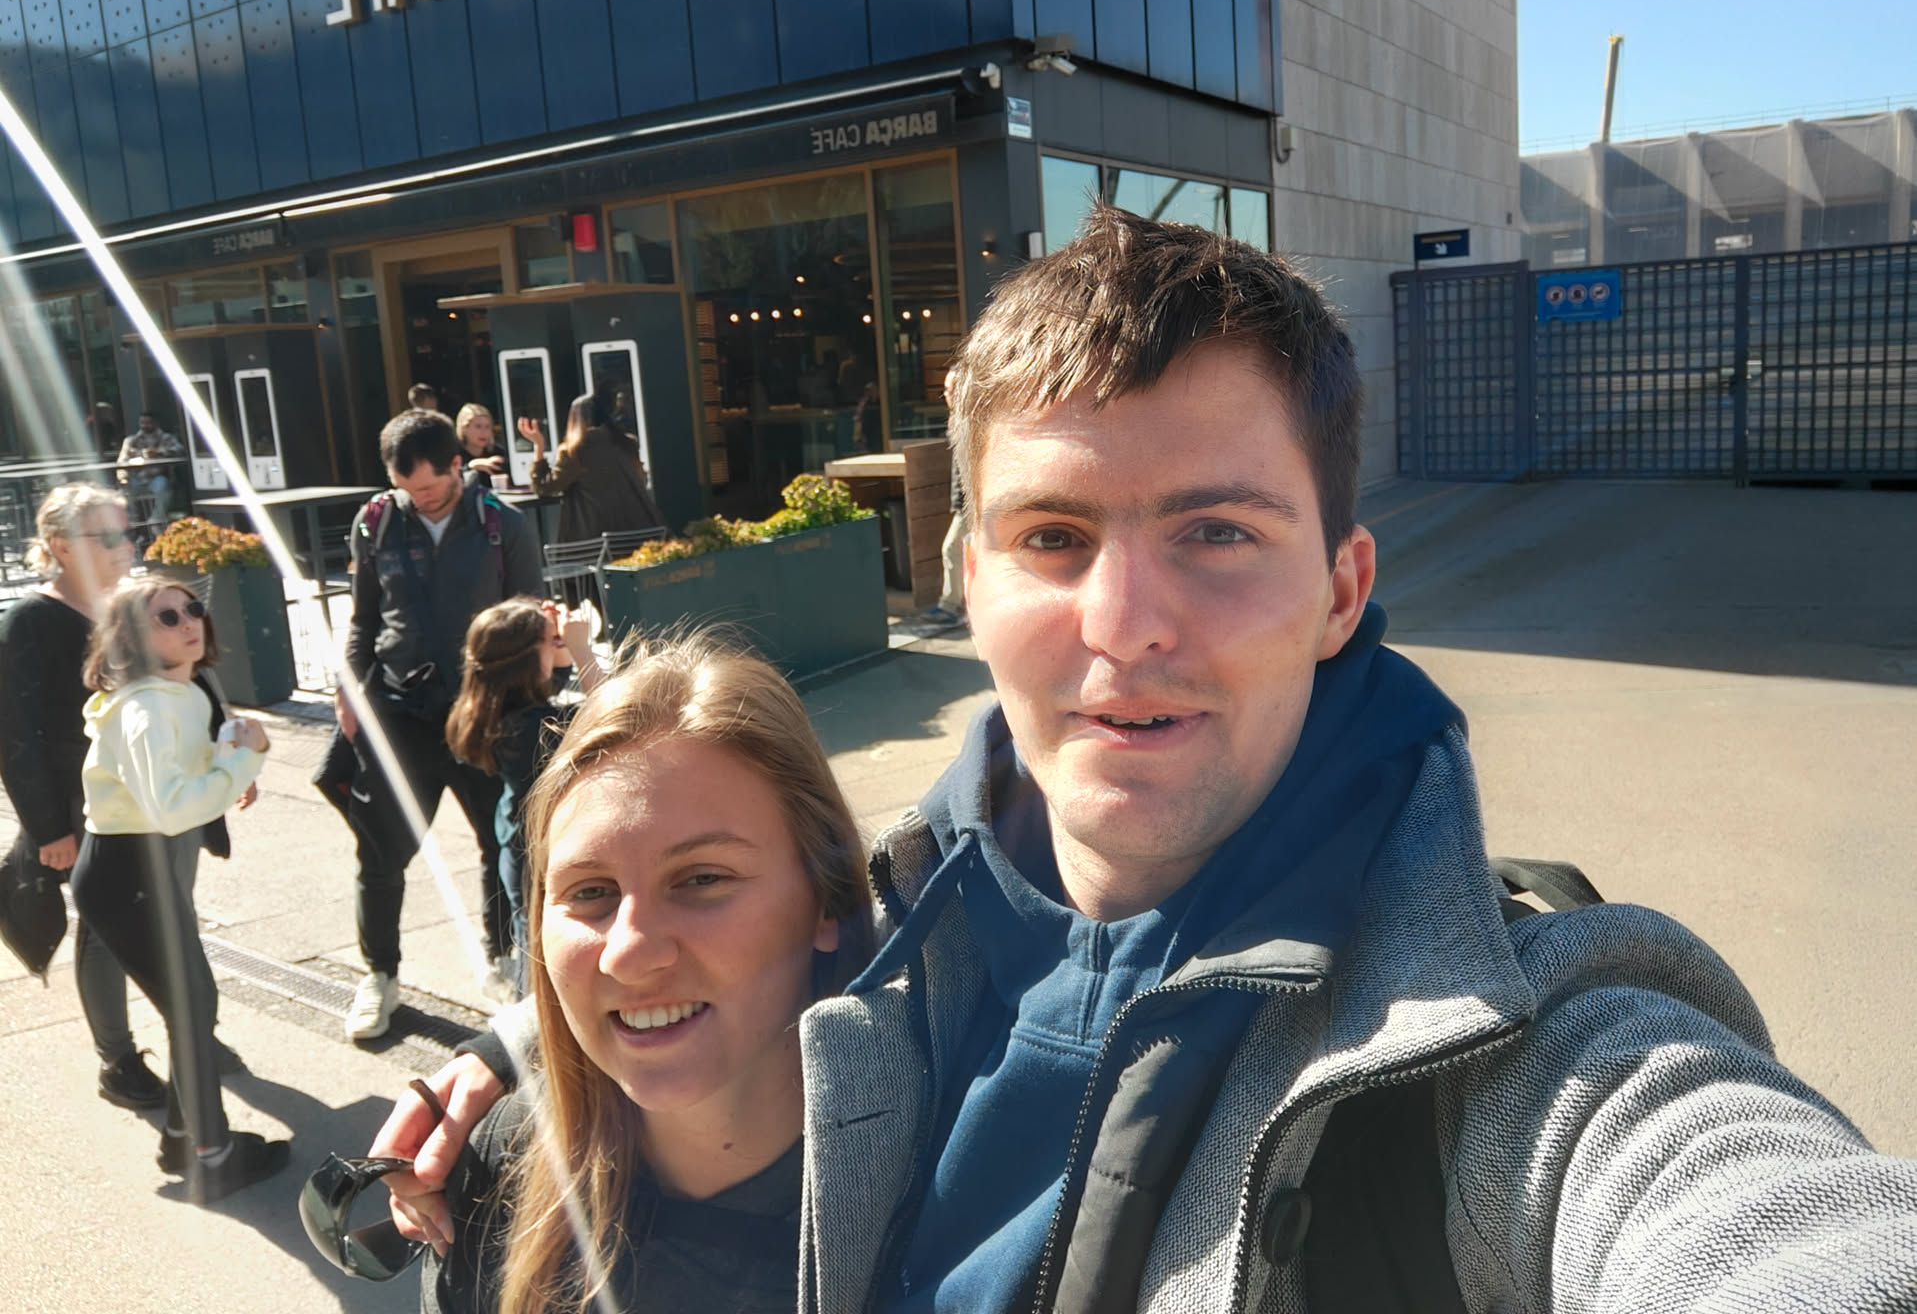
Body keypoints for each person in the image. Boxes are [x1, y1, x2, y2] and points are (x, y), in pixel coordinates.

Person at [383, 207, 1917, 1310]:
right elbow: (693, 923)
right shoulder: (908, 911)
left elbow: (1750, 1216)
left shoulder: (1513, 1050)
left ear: (1342, 591)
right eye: (1053, 537)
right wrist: (519, 1052)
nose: (1123, 623)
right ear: (967, 580)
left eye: (1217, 533)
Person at [412, 635, 874, 1313]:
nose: (627, 953)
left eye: (702, 879)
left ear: (825, 902)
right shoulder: (494, 1169)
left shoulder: (949, 1208)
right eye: (590, 892)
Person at [70, 576, 281, 1204]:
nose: (189, 620)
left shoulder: (174, 692)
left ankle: (187, 1138)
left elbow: (172, 777)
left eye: (192, 608)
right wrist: (243, 759)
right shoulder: (147, 707)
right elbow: (170, 808)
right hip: (127, 873)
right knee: (190, 1008)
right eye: (166, 616)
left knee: (193, 1003)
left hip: (139, 871)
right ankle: (210, 1156)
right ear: (131, 638)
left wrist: (224, 755)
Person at [336, 410, 543, 1040]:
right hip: (403, 710)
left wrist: (530, 706)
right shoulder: (376, 522)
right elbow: (363, 618)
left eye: (428, 487)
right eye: (407, 489)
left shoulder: (503, 525)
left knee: (503, 845)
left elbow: (529, 620)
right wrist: (349, 690)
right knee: (380, 850)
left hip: (485, 714)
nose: (418, 498)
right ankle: (380, 974)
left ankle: (504, 960)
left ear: (457, 465)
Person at [0, 485, 159, 1107]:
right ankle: (117, 1062)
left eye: (127, 532)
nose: (127, 546)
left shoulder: (130, 604)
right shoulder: (29, 623)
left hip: (148, 793)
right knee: (104, 928)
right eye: (109, 536)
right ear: (61, 546)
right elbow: (14, 735)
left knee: (163, 915)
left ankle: (191, 1025)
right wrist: (47, 830)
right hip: (81, 803)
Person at [444, 597, 603, 998]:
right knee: (541, 965)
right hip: (539, 855)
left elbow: (549, 682)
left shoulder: (499, 711)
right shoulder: (537, 729)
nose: (557, 645)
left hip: (516, 847)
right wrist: (581, 648)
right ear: (529, 661)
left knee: (530, 946)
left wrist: (553, 643)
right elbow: (613, 710)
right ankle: (530, 1028)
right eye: (550, 643)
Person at [520, 392, 664, 546]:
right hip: (642, 537)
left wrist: (539, 446)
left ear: (574, 421)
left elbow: (543, 487)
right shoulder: (628, 444)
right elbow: (642, 479)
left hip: (598, 544)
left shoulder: (574, 452)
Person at [918, 368, 967, 630]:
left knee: (952, 548)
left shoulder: (970, 419)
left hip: (972, 502)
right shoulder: (958, 419)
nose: (946, 394)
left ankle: (951, 606)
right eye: (945, 389)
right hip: (966, 500)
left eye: (950, 389)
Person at [116, 411, 184, 522]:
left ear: (156, 423)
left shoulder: (166, 438)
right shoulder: (131, 440)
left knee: (163, 486)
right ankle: (132, 522)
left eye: (148, 423)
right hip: (137, 478)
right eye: (142, 423)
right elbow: (122, 461)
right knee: (122, 493)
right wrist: (123, 478)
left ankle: (156, 520)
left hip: (158, 477)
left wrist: (158, 453)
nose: (145, 426)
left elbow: (179, 450)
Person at [454, 404, 509, 487]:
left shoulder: (498, 453)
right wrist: (470, 467)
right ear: (464, 429)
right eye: (478, 426)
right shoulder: (455, 454)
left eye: (487, 427)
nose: (483, 432)